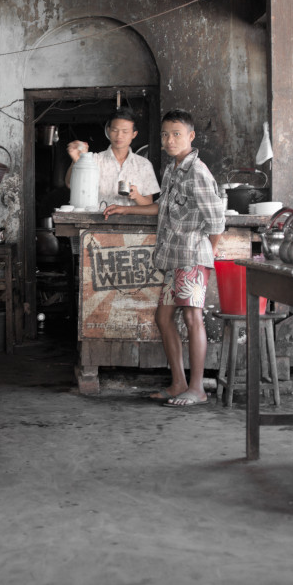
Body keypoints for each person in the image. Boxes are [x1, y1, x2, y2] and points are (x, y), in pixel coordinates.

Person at [103, 110, 226, 406]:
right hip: (173, 257)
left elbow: (217, 221)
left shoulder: (197, 172)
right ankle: (178, 383)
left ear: (191, 136)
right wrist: (126, 209)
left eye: (176, 134)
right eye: (165, 135)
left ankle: (197, 389)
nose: (170, 140)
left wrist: (207, 252)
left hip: (192, 256)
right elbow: (162, 207)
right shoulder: (173, 168)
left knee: (192, 317)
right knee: (163, 317)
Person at [64, 107, 160, 207]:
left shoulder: (144, 165)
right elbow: (70, 184)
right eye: (115, 130)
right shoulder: (95, 160)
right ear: (108, 131)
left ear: (134, 134)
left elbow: (149, 203)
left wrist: (137, 196)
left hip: (131, 217)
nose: (119, 136)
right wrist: (76, 161)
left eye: (125, 131)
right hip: (98, 217)